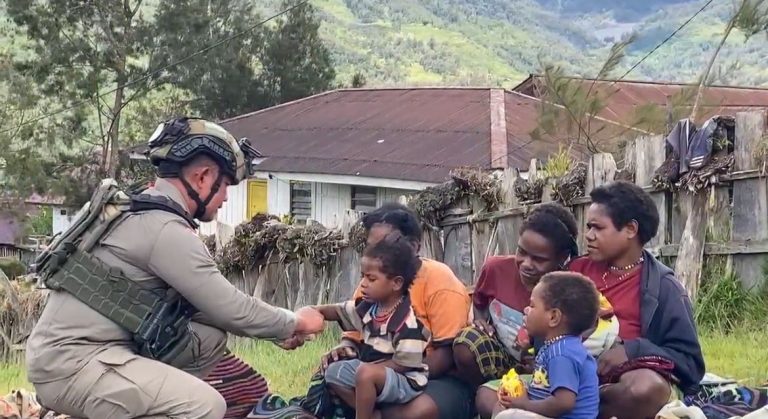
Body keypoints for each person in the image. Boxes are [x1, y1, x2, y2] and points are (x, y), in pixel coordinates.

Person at [26, 117, 325, 419]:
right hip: (73, 365)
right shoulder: (166, 231)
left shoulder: (139, 209)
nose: (225, 197)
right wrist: (297, 322)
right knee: (206, 406)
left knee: (208, 339)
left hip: (66, 356)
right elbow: (234, 308)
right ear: (203, 177)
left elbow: (206, 308)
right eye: (225, 186)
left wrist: (274, 331)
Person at [322, 203, 473, 419]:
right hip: (376, 374)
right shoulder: (374, 282)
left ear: (413, 246)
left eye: (383, 247)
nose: (376, 255)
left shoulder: (441, 282)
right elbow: (355, 334)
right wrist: (344, 348)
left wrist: (391, 375)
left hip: (431, 377)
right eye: (371, 247)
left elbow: (447, 354)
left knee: (419, 412)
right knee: (331, 376)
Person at [569, 180, 705, 419]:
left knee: (646, 388)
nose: (588, 235)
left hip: (615, 385)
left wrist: (633, 350)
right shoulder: (576, 270)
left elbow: (690, 364)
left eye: (597, 228)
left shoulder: (664, 288)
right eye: (588, 227)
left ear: (631, 229)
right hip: (566, 371)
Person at [453, 203, 580, 418]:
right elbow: (480, 300)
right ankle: (479, 395)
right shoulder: (496, 268)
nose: (526, 264)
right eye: (522, 252)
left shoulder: (569, 289)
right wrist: (481, 320)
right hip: (504, 358)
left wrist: (542, 364)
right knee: (466, 341)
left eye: (539, 259)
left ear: (562, 258)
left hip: (547, 371)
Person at [312, 232, 430, 419]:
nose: (363, 284)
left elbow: (404, 364)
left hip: (405, 381)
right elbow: (337, 310)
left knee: (365, 374)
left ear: (396, 283)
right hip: (371, 371)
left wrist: (371, 370)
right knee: (334, 372)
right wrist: (312, 312)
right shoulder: (369, 308)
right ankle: (372, 413)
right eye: (363, 277)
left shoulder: (407, 323)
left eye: (371, 279)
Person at [493, 272, 600, 419]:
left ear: (553, 317)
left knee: (506, 416)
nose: (526, 310)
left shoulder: (561, 353)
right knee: (500, 408)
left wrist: (524, 405)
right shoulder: (560, 346)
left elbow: (564, 403)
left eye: (532, 305)